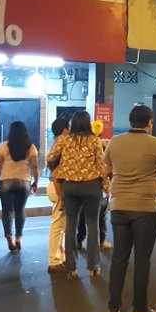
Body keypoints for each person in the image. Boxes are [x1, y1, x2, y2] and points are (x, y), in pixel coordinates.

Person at [103, 104, 156, 312]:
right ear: (150, 123)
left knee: (119, 258)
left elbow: (106, 171)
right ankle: (140, 306)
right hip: (145, 208)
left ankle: (114, 307)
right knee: (142, 259)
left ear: (130, 122)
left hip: (119, 207)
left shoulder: (115, 142)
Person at [47, 110, 107, 278]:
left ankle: (71, 266)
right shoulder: (95, 141)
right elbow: (102, 167)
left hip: (70, 187)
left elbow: (51, 158)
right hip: (91, 187)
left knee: (71, 225)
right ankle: (93, 266)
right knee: (92, 225)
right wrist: (107, 187)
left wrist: (58, 170)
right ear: (88, 124)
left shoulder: (65, 140)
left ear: (72, 124)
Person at [0, 121, 39, 253]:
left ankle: (8, 237)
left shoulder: (3, 146)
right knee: (20, 210)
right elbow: (34, 166)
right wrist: (36, 182)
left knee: (7, 211)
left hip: (6, 181)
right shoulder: (30, 147)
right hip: (24, 181)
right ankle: (18, 237)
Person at [76, 119, 112, 252]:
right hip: (97, 185)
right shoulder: (102, 144)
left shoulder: (80, 145)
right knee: (100, 216)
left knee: (82, 216)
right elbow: (104, 168)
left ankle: (79, 241)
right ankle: (101, 242)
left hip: (82, 185)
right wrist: (107, 187)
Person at [46, 117, 70, 273]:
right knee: (57, 225)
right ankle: (54, 260)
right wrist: (62, 196)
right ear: (64, 131)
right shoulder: (61, 145)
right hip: (58, 186)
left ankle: (60, 257)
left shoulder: (52, 143)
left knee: (62, 225)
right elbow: (57, 173)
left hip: (55, 186)